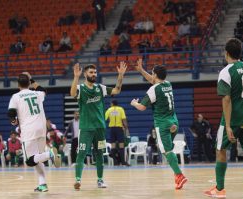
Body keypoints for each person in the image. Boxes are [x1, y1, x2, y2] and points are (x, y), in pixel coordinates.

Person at [204, 38, 243, 199]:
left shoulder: (226, 71)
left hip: (233, 118)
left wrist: (228, 125)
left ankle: (220, 189)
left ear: (226, 53)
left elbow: (226, 99)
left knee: (220, 150)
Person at [131, 58, 188, 190]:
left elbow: (142, 107)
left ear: (155, 74)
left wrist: (134, 103)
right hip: (174, 120)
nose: (151, 75)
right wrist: (141, 70)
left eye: (152, 73)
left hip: (162, 123)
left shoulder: (153, 90)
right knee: (167, 149)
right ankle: (176, 176)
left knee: (166, 151)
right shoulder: (168, 84)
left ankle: (179, 175)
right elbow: (153, 80)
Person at [70, 62, 127, 190]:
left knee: (99, 154)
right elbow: (73, 93)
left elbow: (117, 90)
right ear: (85, 74)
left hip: (100, 128)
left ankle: (100, 180)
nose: (94, 74)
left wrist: (120, 75)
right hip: (85, 128)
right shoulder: (80, 88)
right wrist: (75, 77)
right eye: (91, 72)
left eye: (95, 72)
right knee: (81, 154)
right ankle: (78, 180)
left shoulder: (100, 88)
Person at [7, 73, 61, 192]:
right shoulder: (37, 93)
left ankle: (50, 154)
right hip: (42, 129)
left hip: (28, 130)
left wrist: (13, 120)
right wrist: (31, 79)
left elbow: (11, 112)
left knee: (30, 161)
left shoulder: (16, 96)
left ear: (18, 84)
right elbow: (43, 89)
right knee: (37, 158)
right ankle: (42, 184)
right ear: (29, 83)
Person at [105, 100, 130, 166]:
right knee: (121, 145)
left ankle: (115, 162)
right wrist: (126, 128)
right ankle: (123, 162)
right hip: (119, 129)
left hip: (112, 129)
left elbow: (105, 118)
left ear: (112, 104)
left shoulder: (109, 110)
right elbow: (124, 119)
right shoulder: (121, 109)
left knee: (113, 146)